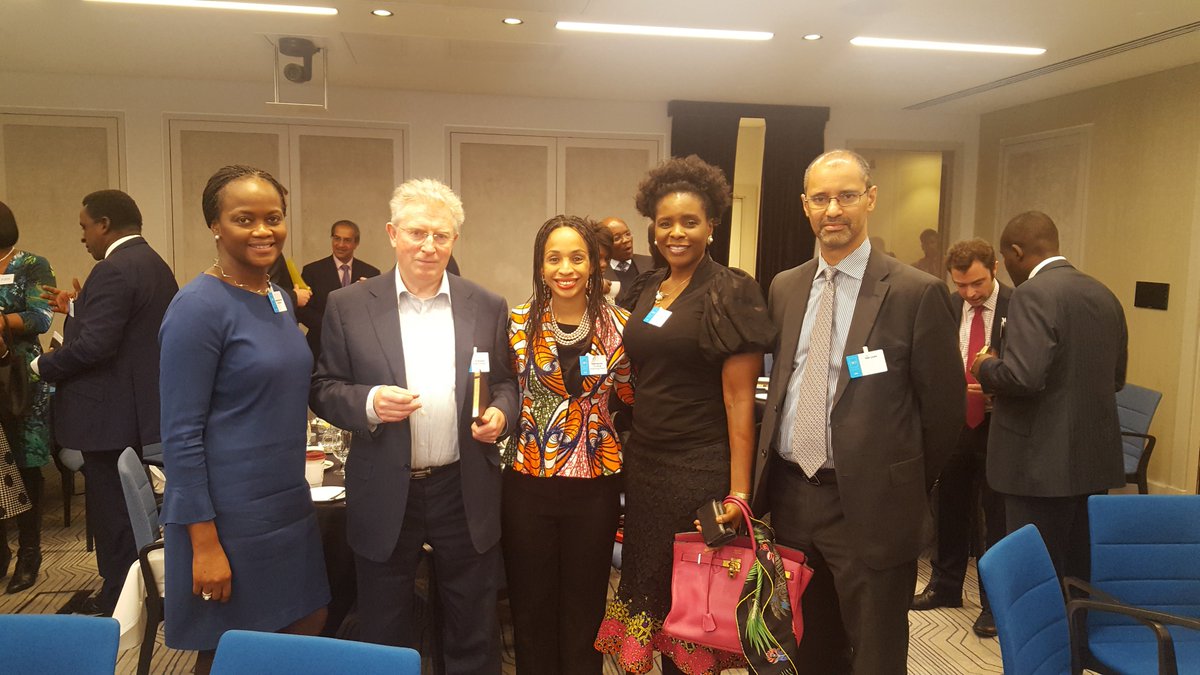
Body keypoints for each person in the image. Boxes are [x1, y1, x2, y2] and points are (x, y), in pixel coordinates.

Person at [751, 150, 963, 674]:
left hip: (871, 507)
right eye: (821, 198)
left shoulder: (916, 292)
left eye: (846, 196)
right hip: (791, 496)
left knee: (875, 652)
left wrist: (899, 479)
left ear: (870, 199)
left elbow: (943, 411)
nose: (833, 210)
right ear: (804, 205)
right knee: (804, 647)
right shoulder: (785, 286)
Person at [309, 178, 518, 673]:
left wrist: (501, 413)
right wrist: (369, 402)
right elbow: (323, 387)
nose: (428, 245)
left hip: (462, 486)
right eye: (417, 232)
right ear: (392, 233)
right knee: (384, 625)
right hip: (385, 486)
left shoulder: (486, 304)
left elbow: (506, 383)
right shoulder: (349, 305)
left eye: (440, 235)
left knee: (473, 624)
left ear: (454, 240)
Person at [595, 155, 775, 674]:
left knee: (696, 605)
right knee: (654, 595)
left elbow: (740, 401)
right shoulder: (648, 287)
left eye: (690, 222)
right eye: (665, 223)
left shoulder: (730, 292)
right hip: (646, 465)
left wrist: (739, 492)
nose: (676, 233)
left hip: (699, 467)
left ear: (712, 226)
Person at [158, 165, 330, 672]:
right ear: (215, 225)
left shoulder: (277, 297)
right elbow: (180, 435)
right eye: (244, 219)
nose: (262, 230)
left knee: (306, 620)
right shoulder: (197, 307)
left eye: (273, 218)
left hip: (286, 501)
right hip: (228, 514)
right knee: (233, 647)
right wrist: (203, 542)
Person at [35, 189, 178, 616]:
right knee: (124, 512)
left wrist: (42, 365)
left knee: (112, 515)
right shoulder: (153, 263)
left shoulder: (112, 269)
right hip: (133, 411)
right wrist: (76, 309)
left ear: (104, 224)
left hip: (108, 418)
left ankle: (117, 597)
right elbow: (126, 331)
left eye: (84, 227)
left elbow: (96, 346)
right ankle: (129, 590)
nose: (83, 237)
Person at [504, 215, 633, 674]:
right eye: (554, 258)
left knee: (585, 606)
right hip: (527, 483)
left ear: (594, 264)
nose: (566, 269)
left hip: (594, 486)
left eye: (577, 258)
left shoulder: (621, 325)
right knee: (531, 606)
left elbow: (634, 395)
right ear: (540, 266)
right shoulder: (516, 323)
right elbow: (498, 392)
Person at [972, 210, 1127, 583]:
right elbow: (1117, 379)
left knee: (1036, 574)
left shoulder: (1032, 293)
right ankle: (1077, 624)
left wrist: (985, 367)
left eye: (1006, 258)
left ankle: (1042, 627)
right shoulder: (1104, 293)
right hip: (1092, 462)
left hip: (1037, 467)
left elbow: (1023, 377)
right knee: (1077, 571)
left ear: (1016, 252)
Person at [911, 237, 1011, 638]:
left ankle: (993, 603)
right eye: (961, 285)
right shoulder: (947, 306)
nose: (970, 293)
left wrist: (999, 386)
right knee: (948, 506)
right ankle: (945, 585)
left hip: (998, 424)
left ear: (995, 268)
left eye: (977, 283)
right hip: (954, 423)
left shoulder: (1018, 305)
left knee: (994, 518)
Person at [0, 201, 55, 593]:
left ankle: (29, 552)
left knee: (24, 463)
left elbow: (41, 317)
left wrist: (1, 321)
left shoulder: (31, 264)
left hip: (19, 377)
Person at [297, 220, 382, 360]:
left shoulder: (371, 273)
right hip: (320, 346)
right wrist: (331, 326)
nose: (340, 245)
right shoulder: (312, 271)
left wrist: (367, 295)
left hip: (359, 349)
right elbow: (303, 311)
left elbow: (378, 310)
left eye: (347, 240)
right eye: (337, 238)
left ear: (356, 243)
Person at [602, 217, 654, 307]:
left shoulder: (652, 263)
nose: (626, 240)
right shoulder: (598, 273)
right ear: (605, 245)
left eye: (627, 234)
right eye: (617, 238)